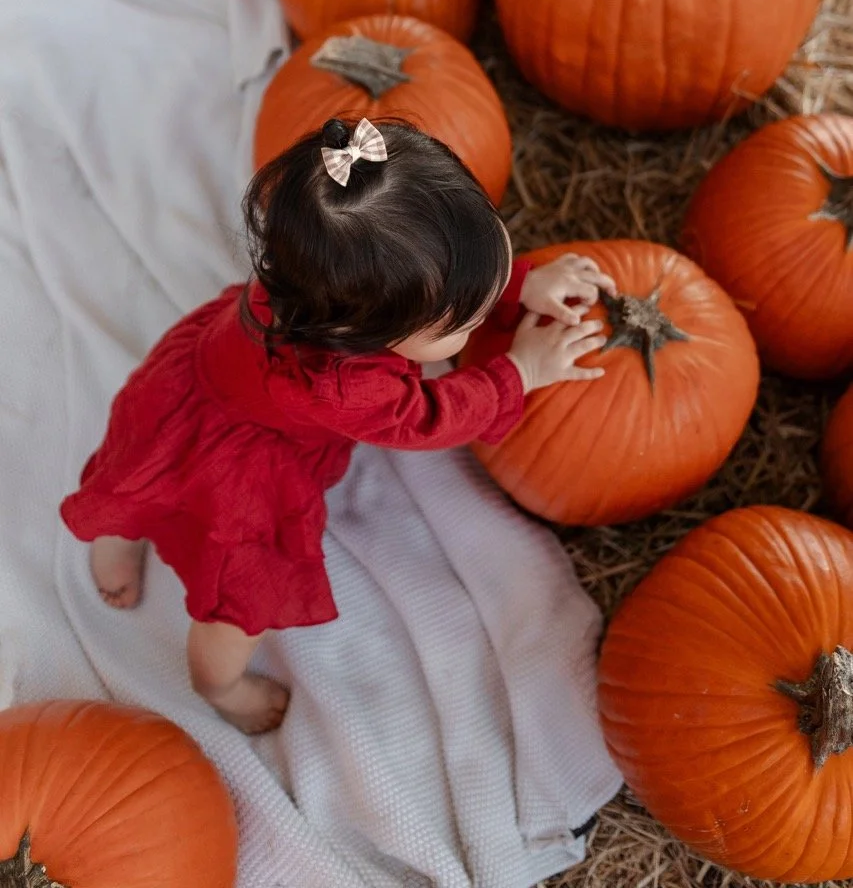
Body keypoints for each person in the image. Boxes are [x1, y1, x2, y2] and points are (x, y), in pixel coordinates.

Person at [61, 118, 615, 735]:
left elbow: (436, 266)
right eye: (463, 321)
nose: (479, 319)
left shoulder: (317, 266)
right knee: (244, 595)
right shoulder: (344, 384)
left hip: (189, 385)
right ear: (363, 332)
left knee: (141, 472)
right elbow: (426, 419)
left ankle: (119, 533)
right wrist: (520, 371)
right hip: (243, 462)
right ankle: (218, 683)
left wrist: (519, 283)